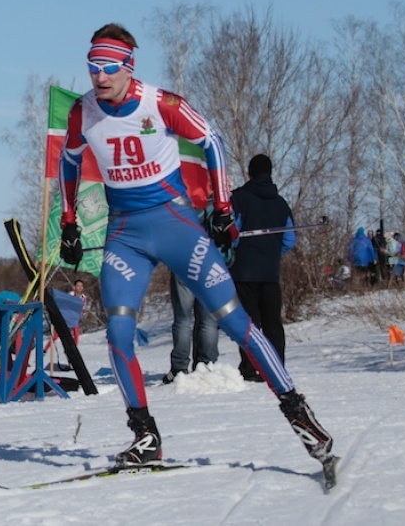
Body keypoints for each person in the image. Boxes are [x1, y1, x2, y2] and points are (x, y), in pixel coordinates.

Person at [58, 23, 333, 468]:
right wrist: (68, 223)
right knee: (119, 333)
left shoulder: (162, 104)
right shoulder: (82, 112)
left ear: (129, 66)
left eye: (109, 66)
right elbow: (68, 161)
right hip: (125, 234)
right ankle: (145, 435)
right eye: (93, 66)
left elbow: (212, 142)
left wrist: (223, 208)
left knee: (235, 322)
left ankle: (301, 417)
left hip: (176, 225)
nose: (99, 76)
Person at [231, 154, 296, 382]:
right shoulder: (281, 203)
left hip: (244, 270)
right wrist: (270, 255)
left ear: (250, 172)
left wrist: (236, 254)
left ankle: (250, 368)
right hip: (270, 272)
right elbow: (289, 240)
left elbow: (233, 233)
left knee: (249, 322)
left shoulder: (239, 198)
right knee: (272, 321)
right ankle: (276, 366)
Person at [163, 269, 218, 384]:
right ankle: (207, 365)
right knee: (209, 322)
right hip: (210, 268)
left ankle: (179, 367)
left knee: (182, 320)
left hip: (183, 266)